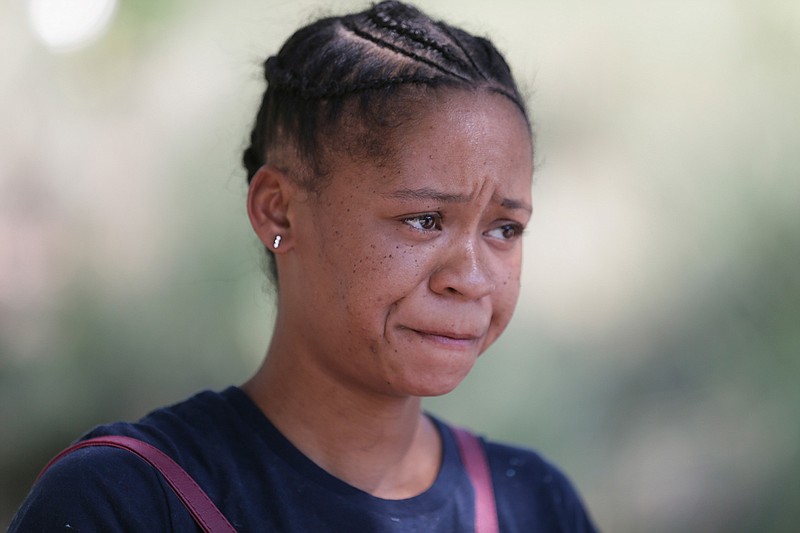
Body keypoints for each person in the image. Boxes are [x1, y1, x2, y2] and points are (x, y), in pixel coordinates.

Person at [10, 1, 598, 531]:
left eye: (504, 229)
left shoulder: (536, 505)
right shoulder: (126, 503)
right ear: (280, 212)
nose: (470, 277)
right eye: (423, 219)